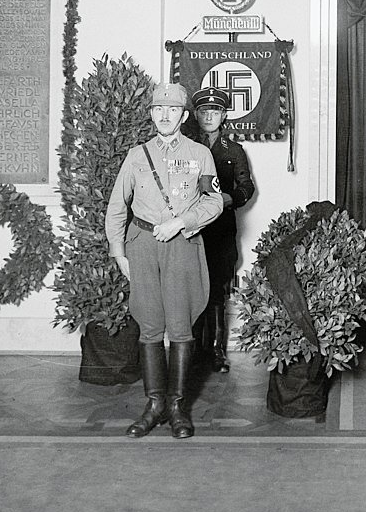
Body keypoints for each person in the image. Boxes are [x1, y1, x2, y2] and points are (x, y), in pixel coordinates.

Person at [106, 83, 224, 439]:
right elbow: (117, 206)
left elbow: (214, 202)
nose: (165, 115)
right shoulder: (136, 156)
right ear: (151, 114)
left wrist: (181, 222)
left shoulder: (200, 154)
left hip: (182, 244)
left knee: (181, 326)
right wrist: (118, 251)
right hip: (142, 245)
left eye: (172, 110)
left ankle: (177, 407)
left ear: (184, 116)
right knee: (149, 325)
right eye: (159, 109)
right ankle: (154, 404)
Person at [185, 85, 256, 372]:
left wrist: (227, 199)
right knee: (191, 290)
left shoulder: (233, 150)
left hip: (220, 230)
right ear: (196, 115)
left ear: (224, 115)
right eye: (204, 111)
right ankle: (192, 351)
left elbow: (247, 187)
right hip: (191, 229)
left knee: (217, 292)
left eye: (215, 111)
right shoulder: (186, 146)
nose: (209, 117)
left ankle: (216, 352)